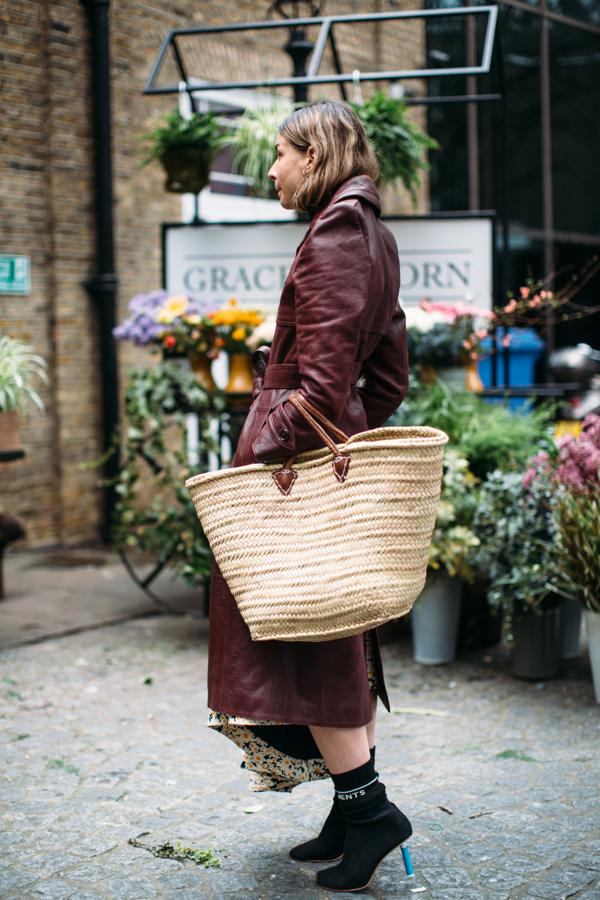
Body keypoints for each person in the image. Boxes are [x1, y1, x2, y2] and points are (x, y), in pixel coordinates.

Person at [207, 99, 411, 893]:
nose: (270, 169)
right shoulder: (373, 232)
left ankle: (369, 813)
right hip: (322, 465)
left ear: (315, 155)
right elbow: (385, 378)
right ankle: (345, 806)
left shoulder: (334, 235)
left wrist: (262, 460)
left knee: (310, 638)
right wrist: (350, 434)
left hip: (289, 468)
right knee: (330, 637)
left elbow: (322, 389)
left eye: (281, 154)